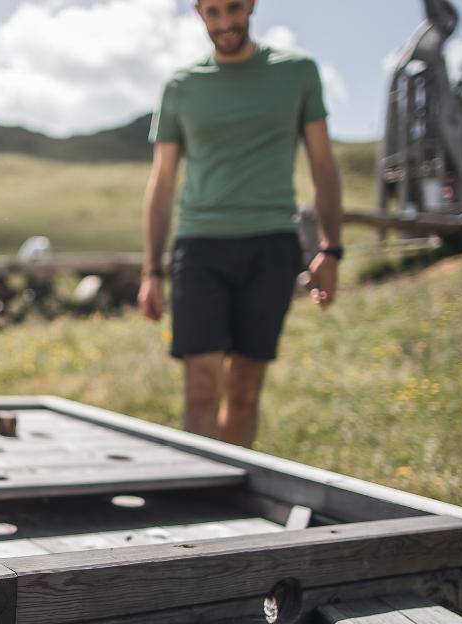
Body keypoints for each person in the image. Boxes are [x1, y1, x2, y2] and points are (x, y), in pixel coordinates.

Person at [138, 0, 343, 448]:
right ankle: (198, 505)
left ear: (251, 4)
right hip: (199, 246)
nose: (226, 22)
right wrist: (151, 269)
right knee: (202, 386)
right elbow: (163, 182)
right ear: (198, 12)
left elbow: (323, 166)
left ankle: (234, 500)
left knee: (246, 389)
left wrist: (330, 248)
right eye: (213, 12)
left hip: (270, 244)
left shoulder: (297, 73)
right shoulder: (181, 86)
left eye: (233, 8)